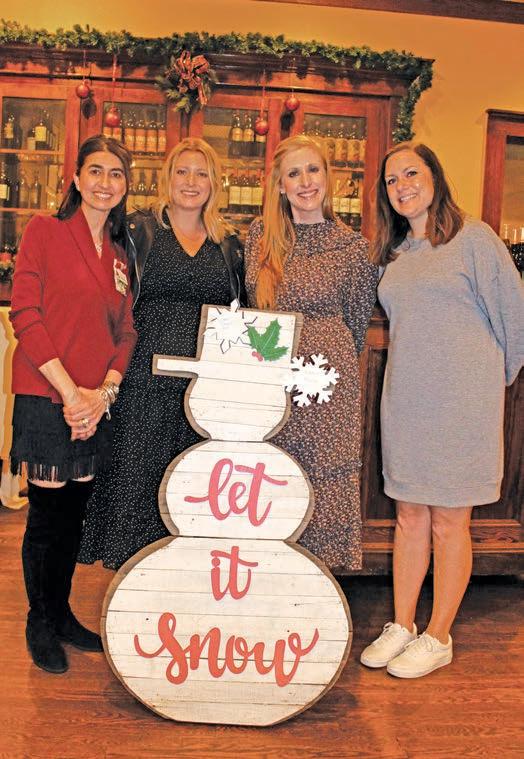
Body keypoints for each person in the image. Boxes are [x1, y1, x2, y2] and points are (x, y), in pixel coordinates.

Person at [360, 142, 524, 678]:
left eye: (412, 173)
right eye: (392, 180)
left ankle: (438, 635)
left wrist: (484, 386)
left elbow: (516, 322)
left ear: (435, 177)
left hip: (461, 405)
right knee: (409, 517)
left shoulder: (474, 239)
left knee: (451, 522)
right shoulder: (395, 253)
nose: (402, 185)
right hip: (406, 400)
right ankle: (403, 624)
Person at [78, 137, 245, 570]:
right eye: (182, 171)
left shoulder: (229, 243)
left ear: (215, 183)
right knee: (137, 474)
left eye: (201, 173)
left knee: (193, 480)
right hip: (142, 377)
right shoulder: (137, 229)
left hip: (204, 385)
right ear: (167, 178)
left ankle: (181, 577)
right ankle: (130, 578)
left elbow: (241, 312)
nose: (191, 182)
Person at [9, 135, 137, 674]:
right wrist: (70, 394)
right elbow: (25, 314)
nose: (105, 182)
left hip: (93, 402)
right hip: (47, 395)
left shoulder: (121, 254)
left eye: (116, 173)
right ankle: (39, 620)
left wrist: (101, 394)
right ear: (77, 178)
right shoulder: (45, 231)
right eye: (96, 171)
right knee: (46, 514)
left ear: (125, 186)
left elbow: (127, 332)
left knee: (74, 514)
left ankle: (61, 613)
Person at [244, 134, 378, 571]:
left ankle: (319, 582)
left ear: (327, 176)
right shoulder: (261, 237)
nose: (305, 182)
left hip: (327, 390)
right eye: (294, 173)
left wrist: (322, 358)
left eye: (313, 170)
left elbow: (355, 325)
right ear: (280, 186)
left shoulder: (353, 248)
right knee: (273, 474)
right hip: (270, 383)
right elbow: (253, 310)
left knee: (324, 477)